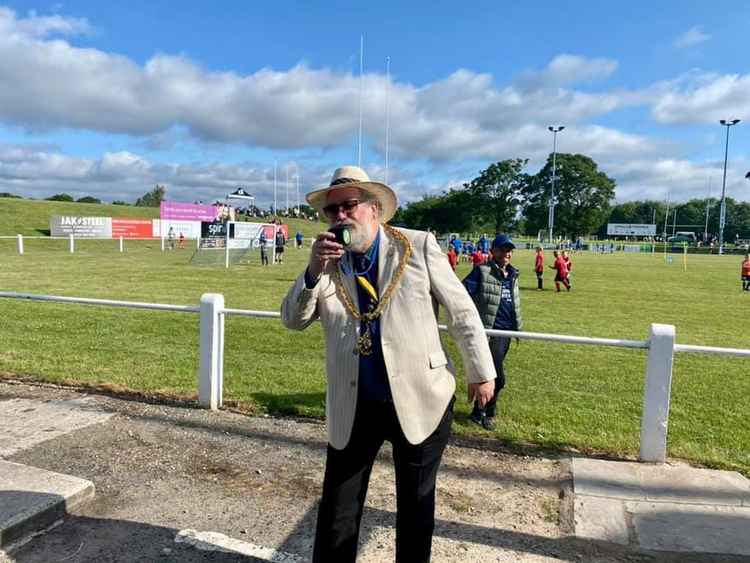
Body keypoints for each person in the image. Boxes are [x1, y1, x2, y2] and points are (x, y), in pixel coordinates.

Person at [281, 165, 495, 563]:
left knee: (415, 505)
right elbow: (292, 320)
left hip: (421, 396)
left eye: (350, 206)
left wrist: (481, 371)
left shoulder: (416, 245)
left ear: (375, 209)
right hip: (355, 401)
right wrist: (313, 272)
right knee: (338, 507)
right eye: (332, 211)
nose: (341, 216)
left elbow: (461, 311)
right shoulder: (327, 262)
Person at [462, 234, 522, 430]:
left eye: (509, 250)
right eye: (503, 250)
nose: (507, 254)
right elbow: (462, 293)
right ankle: (486, 412)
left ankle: (480, 411)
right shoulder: (482, 271)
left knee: (492, 373)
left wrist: (517, 327)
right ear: (493, 251)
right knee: (496, 376)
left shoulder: (513, 274)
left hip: (506, 335)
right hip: (490, 333)